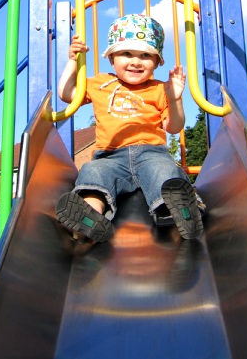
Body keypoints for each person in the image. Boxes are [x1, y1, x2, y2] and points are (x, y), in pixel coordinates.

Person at [55, 14, 203, 242]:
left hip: (151, 153)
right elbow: (66, 94)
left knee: (164, 174)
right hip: (109, 156)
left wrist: (175, 99)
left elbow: (174, 127)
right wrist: (73, 61)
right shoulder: (100, 83)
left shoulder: (161, 89)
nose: (136, 62)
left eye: (145, 55)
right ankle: (89, 216)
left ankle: (181, 212)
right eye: (126, 54)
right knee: (93, 174)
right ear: (111, 58)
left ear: (157, 62)